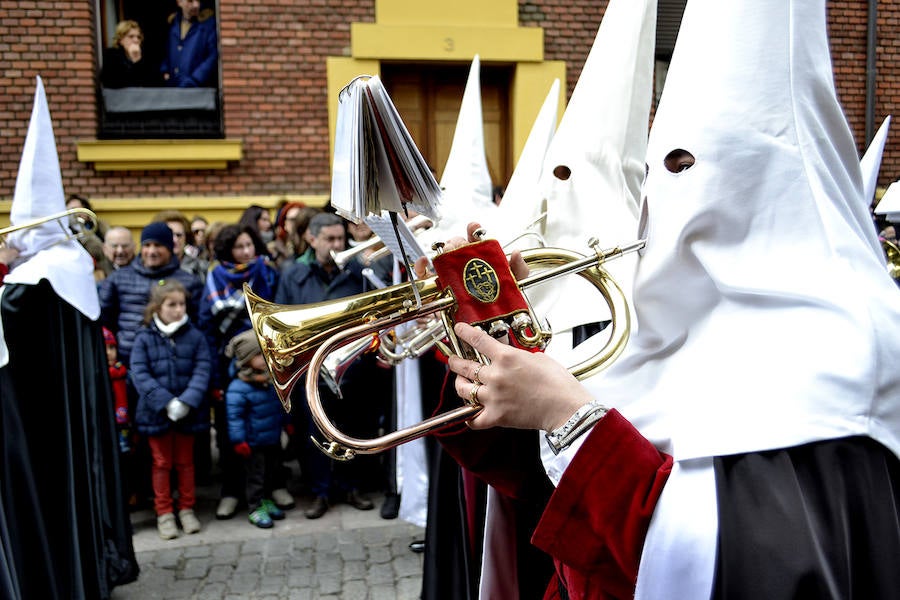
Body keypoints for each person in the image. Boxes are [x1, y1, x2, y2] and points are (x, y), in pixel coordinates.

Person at [430, 1, 900, 598]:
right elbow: (545, 490)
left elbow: (760, 571)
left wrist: (572, 421)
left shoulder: (842, 347)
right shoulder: (654, 312)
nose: (672, 191)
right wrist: (486, 328)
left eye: (691, 164)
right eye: (662, 168)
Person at [275, 211, 377, 519]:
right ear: (312, 239)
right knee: (314, 433)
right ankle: (319, 491)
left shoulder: (357, 270)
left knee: (353, 429)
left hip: (352, 369)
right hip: (312, 372)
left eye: (340, 239)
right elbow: (284, 325)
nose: (337, 245)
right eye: (330, 239)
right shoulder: (293, 274)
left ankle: (351, 487)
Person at [198, 223, 285, 519]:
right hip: (228, 364)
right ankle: (232, 491)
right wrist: (215, 375)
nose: (247, 252)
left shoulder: (267, 271)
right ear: (227, 251)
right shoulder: (214, 277)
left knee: (270, 427)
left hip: (267, 357)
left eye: (250, 245)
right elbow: (208, 328)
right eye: (239, 247)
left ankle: (273, 487)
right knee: (230, 432)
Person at [130, 280, 211, 540]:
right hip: (157, 413)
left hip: (188, 412)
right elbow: (140, 373)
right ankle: (164, 512)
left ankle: (186, 509)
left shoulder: (195, 336)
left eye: (182, 304)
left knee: (186, 462)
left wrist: (187, 401)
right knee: (162, 463)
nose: (178, 310)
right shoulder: (144, 337)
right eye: (171, 304)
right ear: (158, 306)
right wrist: (165, 402)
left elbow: (202, 368)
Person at [99, 221, 204, 366]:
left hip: (175, 364)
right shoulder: (118, 279)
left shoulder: (189, 282)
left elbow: (198, 324)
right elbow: (105, 319)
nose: (152, 251)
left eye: (158, 245)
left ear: (170, 248)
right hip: (127, 363)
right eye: (147, 245)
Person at [224, 329, 292, 529]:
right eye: (258, 355)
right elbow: (234, 417)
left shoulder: (270, 380)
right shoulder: (239, 387)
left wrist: (286, 424)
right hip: (253, 444)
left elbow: (278, 405)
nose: (264, 359)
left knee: (271, 473)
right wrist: (239, 441)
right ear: (246, 359)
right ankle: (255, 507)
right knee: (255, 477)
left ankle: (266, 500)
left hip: (272, 438)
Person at [160, 0, 218, 88]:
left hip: (197, 90)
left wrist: (195, 79)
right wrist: (165, 71)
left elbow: (213, 56)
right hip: (172, 89)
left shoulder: (208, 25)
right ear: (179, 2)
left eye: (198, 0)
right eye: (190, 1)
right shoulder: (172, 24)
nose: (196, 5)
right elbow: (164, 52)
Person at [101, 20, 160, 88]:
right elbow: (110, 82)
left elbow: (155, 83)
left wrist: (137, 62)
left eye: (139, 37)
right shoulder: (111, 56)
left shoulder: (147, 59)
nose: (136, 40)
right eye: (131, 36)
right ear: (121, 40)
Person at [152, 210, 206, 279]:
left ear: (186, 238)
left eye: (179, 235)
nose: (175, 240)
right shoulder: (148, 267)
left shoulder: (201, 269)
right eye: (170, 235)